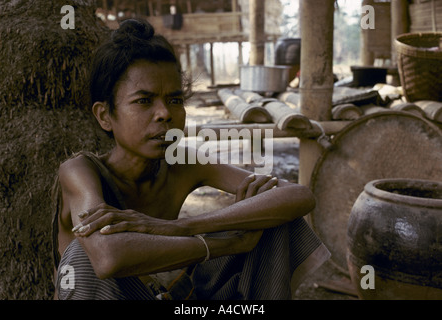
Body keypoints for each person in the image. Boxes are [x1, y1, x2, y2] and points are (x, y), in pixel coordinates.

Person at [52, 18, 330, 300]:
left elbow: (299, 196)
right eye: (144, 101)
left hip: (174, 297)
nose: (164, 114)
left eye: (174, 100)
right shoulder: (80, 171)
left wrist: (179, 227)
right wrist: (227, 244)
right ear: (104, 116)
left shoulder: (181, 163)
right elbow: (106, 259)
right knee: (83, 250)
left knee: (269, 217)